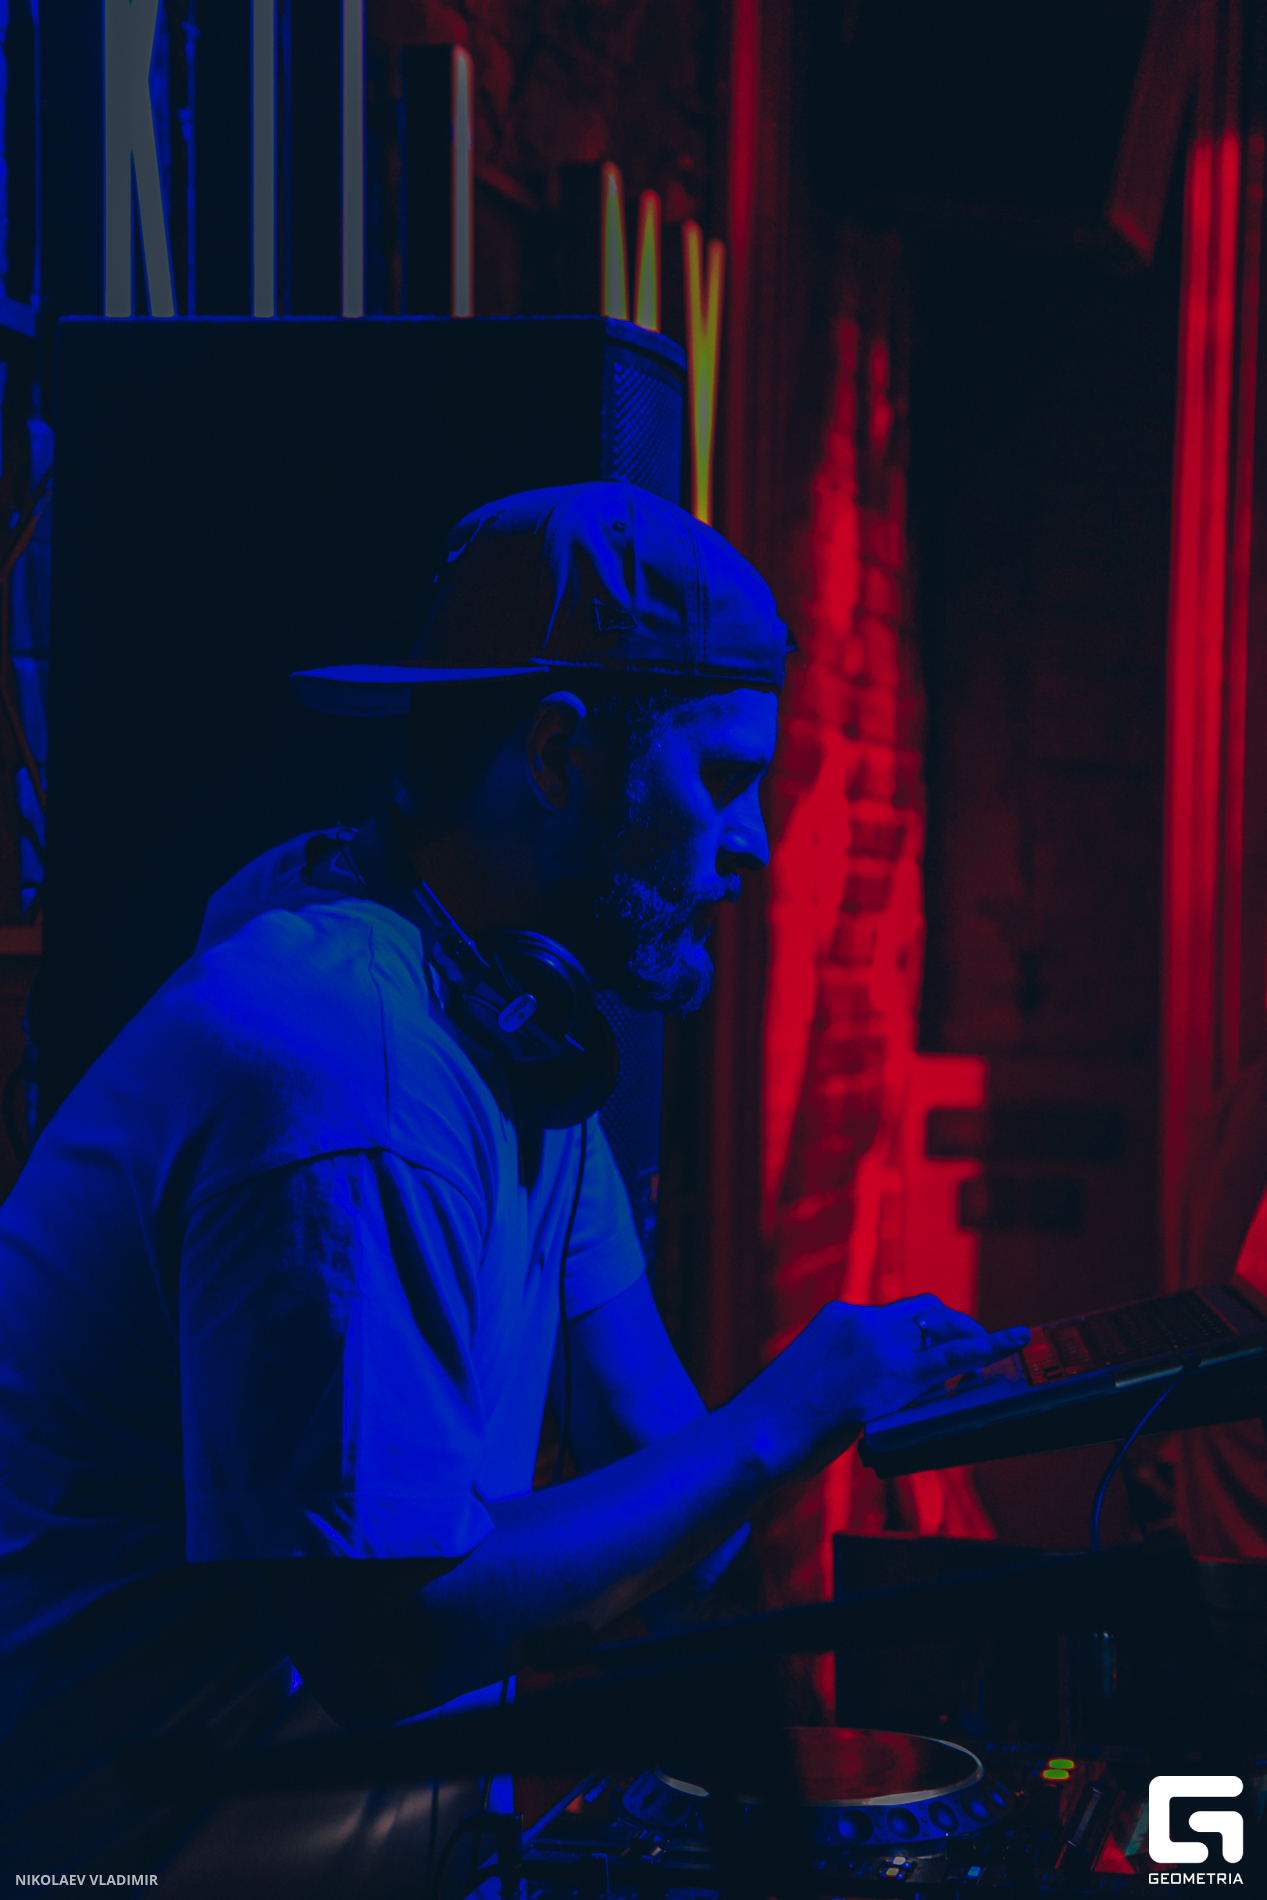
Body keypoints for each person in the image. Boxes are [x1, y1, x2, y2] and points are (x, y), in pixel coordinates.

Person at [0, 482, 1026, 1887]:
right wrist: (791, 1409)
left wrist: (861, 1416)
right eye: (723, 780)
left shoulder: (514, 1034)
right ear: (559, 756)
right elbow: (386, 1641)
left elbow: (665, 1499)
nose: (753, 845)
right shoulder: (346, 1069)